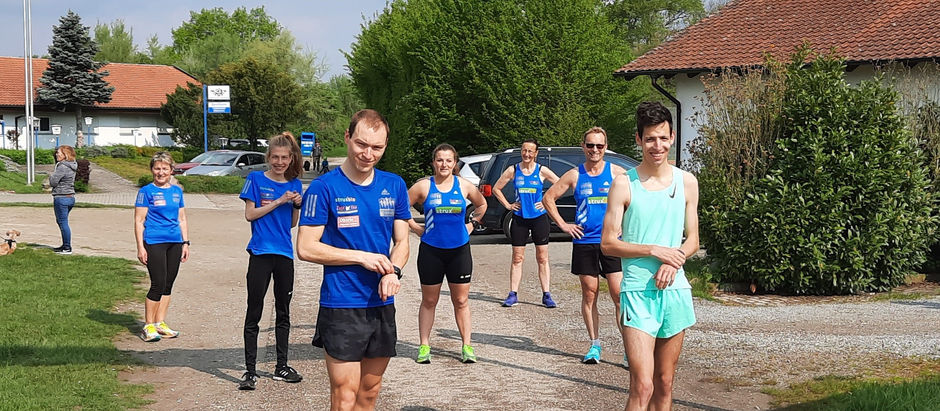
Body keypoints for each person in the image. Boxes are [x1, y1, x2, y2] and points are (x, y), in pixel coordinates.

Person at [297, 109, 411, 410]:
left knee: (369, 392)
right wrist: (361, 257)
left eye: (377, 147)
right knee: (345, 394)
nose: (368, 154)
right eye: (361, 144)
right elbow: (306, 247)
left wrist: (393, 271)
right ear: (348, 138)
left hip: (381, 305)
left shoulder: (395, 185)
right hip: (342, 303)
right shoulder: (324, 188)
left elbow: (402, 241)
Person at [600, 102, 699, 410]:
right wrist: (654, 250)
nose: (657, 146)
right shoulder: (623, 184)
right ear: (638, 139)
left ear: (672, 137)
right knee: (642, 385)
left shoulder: (687, 182)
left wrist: (675, 258)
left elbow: (693, 238)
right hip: (637, 291)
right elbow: (608, 243)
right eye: (650, 139)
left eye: (663, 138)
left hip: (675, 290)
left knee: (665, 383)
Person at [542, 127, 627, 365]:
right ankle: (594, 344)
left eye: (599, 146)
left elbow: (635, 200)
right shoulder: (574, 175)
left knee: (619, 294)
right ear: (583, 147)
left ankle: (629, 348)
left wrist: (625, 225)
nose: (595, 150)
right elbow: (548, 198)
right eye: (590, 145)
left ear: (606, 147)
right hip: (584, 241)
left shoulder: (618, 173)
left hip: (611, 243)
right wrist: (563, 225)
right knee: (590, 293)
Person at [407, 143, 487, 364]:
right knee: (429, 300)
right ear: (434, 162)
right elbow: (401, 206)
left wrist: (471, 225)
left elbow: (481, 204)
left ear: (455, 163)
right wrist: (414, 227)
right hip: (431, 251)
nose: (444, 164)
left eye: (448, 160)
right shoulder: (424, 186)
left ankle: (467, 346)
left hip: (459, 251)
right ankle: (424, 346)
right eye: (440, 160)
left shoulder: (463, 186)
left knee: (461, 300)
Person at [238, 132, 305, 390]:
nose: (279, 162)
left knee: (283, 312)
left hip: (284, 254)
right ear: (269, 157)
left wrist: (296, 204)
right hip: (260, 252)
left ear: (290, 159)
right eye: (275, 157)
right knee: (254, 310)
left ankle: (281, 366)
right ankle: (250, 371)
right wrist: (278, 201)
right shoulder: (256, 179)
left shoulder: (295, 184)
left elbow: (291, 224)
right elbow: (250, 214)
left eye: (284, 158)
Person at [492, 139, 560, 308]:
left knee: (542, 258)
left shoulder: (541, 170)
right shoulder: (513, 170)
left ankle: (546, 295)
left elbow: (561, 185)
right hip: (519, 218)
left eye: (530, 151)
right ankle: (512, 294)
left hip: (539, 218)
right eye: (524, 150)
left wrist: (546, 202)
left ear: (536, 153)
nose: (527, 154)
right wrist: (508, 205)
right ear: (521, 151)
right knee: (517, 258)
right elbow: (496, 188)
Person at [134, 152, 190, 343]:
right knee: (157, 283)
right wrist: (141, 247)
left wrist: (185, 242)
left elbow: (182, 218)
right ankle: (148, 325)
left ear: (171, 170)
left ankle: (160, 322)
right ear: (152, 170)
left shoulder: (177, 192)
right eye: (157, 168)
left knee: (168, 283)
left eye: (165, 168)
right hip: (154, 241)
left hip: (174, 242)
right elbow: (139, 220)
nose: (161, 172)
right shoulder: (146, 191)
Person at [50, 145, 77, 255]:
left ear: (65, 155)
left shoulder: (62, 167)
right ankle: (65, 245)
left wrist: (50, 176)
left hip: (61, 197)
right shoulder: (72, 165)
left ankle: (67, 248)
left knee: (63, 222)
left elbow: (53, 182)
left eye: (59, 153)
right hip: (70, 197)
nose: (57, 154)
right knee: (62, 221)